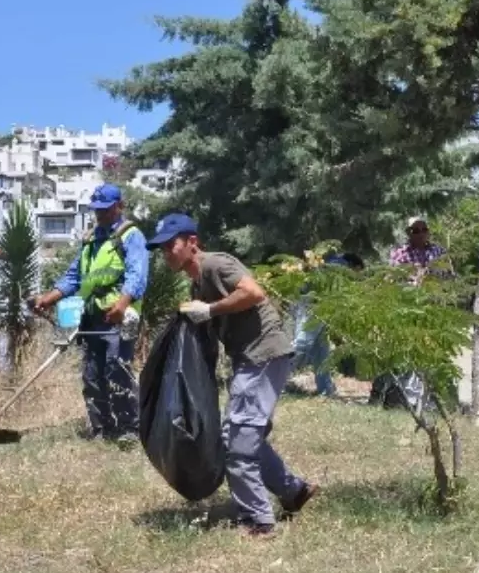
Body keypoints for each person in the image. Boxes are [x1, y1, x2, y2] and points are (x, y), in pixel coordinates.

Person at [147, 213, 318, 538]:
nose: (166, 253)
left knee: (237, 441)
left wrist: (210, 310)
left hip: (263, 353)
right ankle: (294, 491)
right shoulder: (197, 281)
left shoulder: (215, 264)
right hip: (251, 358)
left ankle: (258, 521)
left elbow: (253, 293)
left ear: (192, 242)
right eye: (162, 249)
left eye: (171, 245)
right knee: (244, 437)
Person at [30, 183, 148, 448]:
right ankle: (101, 428)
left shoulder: (130, 235)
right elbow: (74, 276)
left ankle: (130, 428)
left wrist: (123, 302)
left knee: (117, 370)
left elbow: (137, 274)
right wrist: (48, 299)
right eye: (97, 210)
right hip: (93, 317)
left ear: (119, 206)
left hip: (118, 317)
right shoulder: (91, 239)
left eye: (106, 209)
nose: (101, 215)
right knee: (92, 374)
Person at [290, 252, 365, 397]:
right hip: (314, 306)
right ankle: (276, 377)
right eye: (358, 272)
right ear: (355, 266)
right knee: (302, 344)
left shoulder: (333, 263)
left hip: (314, 304)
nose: (357, 277)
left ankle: (325, 388)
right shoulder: (340, 267)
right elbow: (335, 294)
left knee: (322, 350)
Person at [388, 216, 451, 283]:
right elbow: (393, 279)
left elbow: (449, 275)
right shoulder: (399, 254)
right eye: (416, 231)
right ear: (408, 233)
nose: (421, 234)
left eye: (424, 230)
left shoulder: (439, 251)